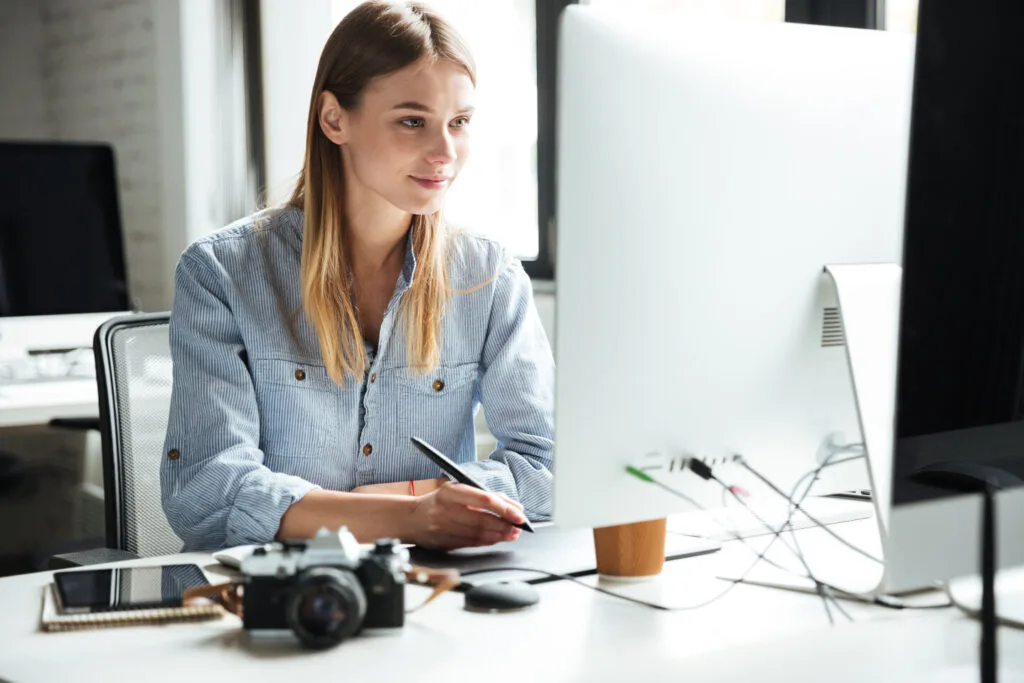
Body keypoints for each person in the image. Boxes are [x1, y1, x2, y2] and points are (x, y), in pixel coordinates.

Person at [160, 1, 553, 552]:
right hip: (272, 595)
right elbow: (206, 493)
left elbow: (545, 466)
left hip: (430, 591)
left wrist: (417, 507)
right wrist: (413, 515)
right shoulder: (222, 271)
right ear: (334, 118)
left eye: (459, 123)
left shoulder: (489, 275)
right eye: (412, 121)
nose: (445, 153)